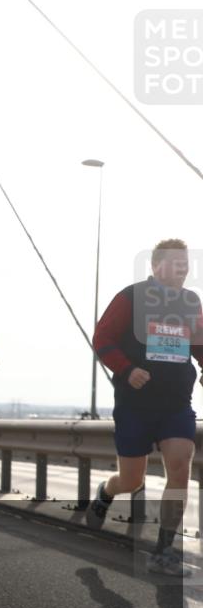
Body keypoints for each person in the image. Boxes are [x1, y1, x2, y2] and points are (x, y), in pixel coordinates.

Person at [88, 239, 203, 576]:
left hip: (176, 403)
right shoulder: (132, 297)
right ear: (155, 266)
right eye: (174, 262)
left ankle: (165, 548)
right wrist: (126, 369)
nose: (182, 268)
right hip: (135, 404)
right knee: (131, 479)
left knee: (180, 464)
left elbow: (199, 342)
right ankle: (106, 492)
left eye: (185, 262)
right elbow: (102, 339)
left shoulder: (191, 301)